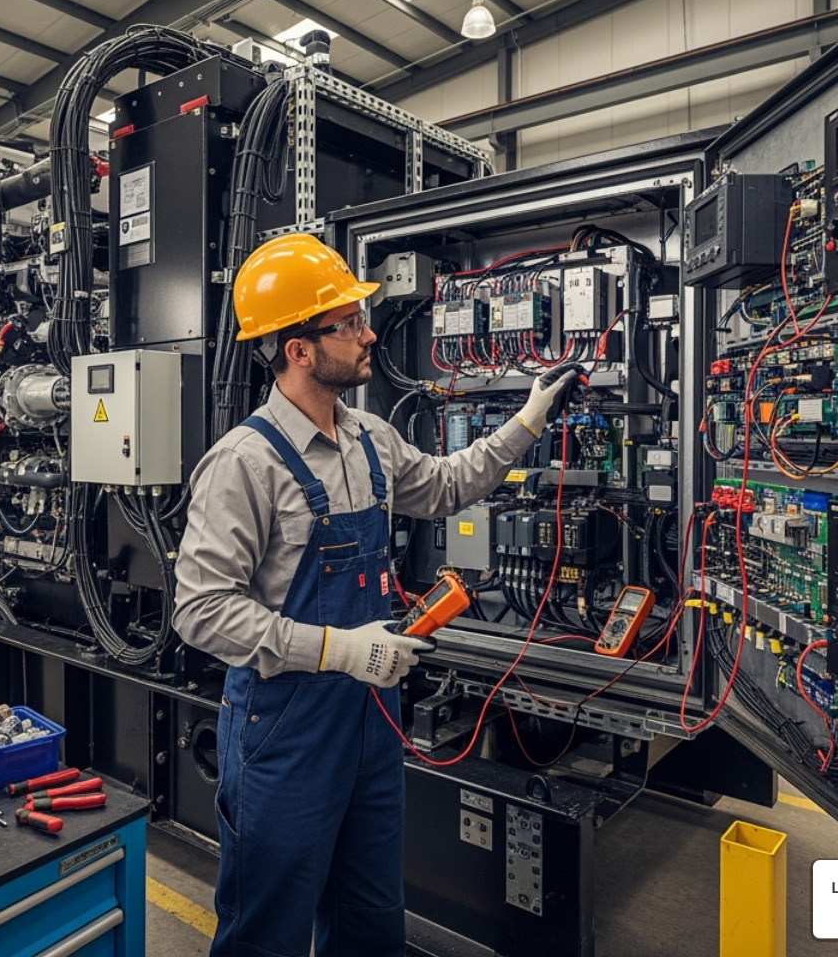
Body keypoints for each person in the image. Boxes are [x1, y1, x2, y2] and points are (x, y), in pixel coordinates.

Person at [173, 233, 580, 957]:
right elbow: (201, 611)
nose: (368, 335)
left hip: (370, 724)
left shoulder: (371, 439)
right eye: (348, 324)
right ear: (299, 349)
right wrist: (340, 649)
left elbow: (449, 485)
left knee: (370, 922)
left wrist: (527, 421)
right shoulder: (243, 463)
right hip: (284, 732)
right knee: (266, 931)